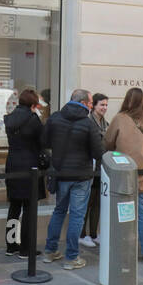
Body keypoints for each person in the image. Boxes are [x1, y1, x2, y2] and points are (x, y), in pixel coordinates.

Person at [41, 89, 104, 269]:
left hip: (60, 173)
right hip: (81, 175)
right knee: (77, 215)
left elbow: (44, 141)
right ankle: (71, 257)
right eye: (91, 103)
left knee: (59, 211)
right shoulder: (88, 123)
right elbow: (98, 152)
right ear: (84, 103)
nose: (92, 106)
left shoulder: (54, 118)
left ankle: (50, 251)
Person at [105, 87, 143, 263]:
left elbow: (108, 143)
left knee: (123, 211)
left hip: (122, 172)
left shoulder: (119, 119)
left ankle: (123, 248)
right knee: (142, 211)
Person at [4, 88, 46, 256]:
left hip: (13, 163)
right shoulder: (33, 119)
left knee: (14, 206)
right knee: (29, 208)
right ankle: (26, 248)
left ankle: (11, 245)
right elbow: (42, 142)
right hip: (30, 166)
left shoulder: (10, 118)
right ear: (33, 104)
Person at [81, 93, 109, 248]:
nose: (104, 108)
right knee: (88, 202)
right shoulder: (88, 121)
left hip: (102, 168)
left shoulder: (106, 123)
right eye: (101, 105)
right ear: (94, 106)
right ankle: (82, 234)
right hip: (91, 167)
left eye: (106, 105)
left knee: (98, 202)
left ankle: (93, 233)